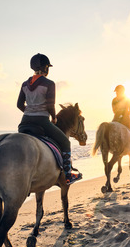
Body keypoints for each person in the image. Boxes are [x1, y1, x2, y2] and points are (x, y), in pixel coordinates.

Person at [17, 53, 82, 185]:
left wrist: (29, 112)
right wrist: (53, 118)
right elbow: (50, 105)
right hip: (42, 122)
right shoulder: (49, 83)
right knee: (65, 142)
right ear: (46, 67)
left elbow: (19, 105)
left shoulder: (24, 84)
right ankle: (68, 175)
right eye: (48, 67)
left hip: (23, 123)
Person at [111, 84, 130, 151]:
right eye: (116, 92)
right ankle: (109, 145)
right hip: (118, 116)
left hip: (124, 116)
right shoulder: (115, 100)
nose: (116, 93)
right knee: (110, 128)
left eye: (117, 91)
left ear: (122, 91)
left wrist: (128, 115)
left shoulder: (127, 100)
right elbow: (114, 110)